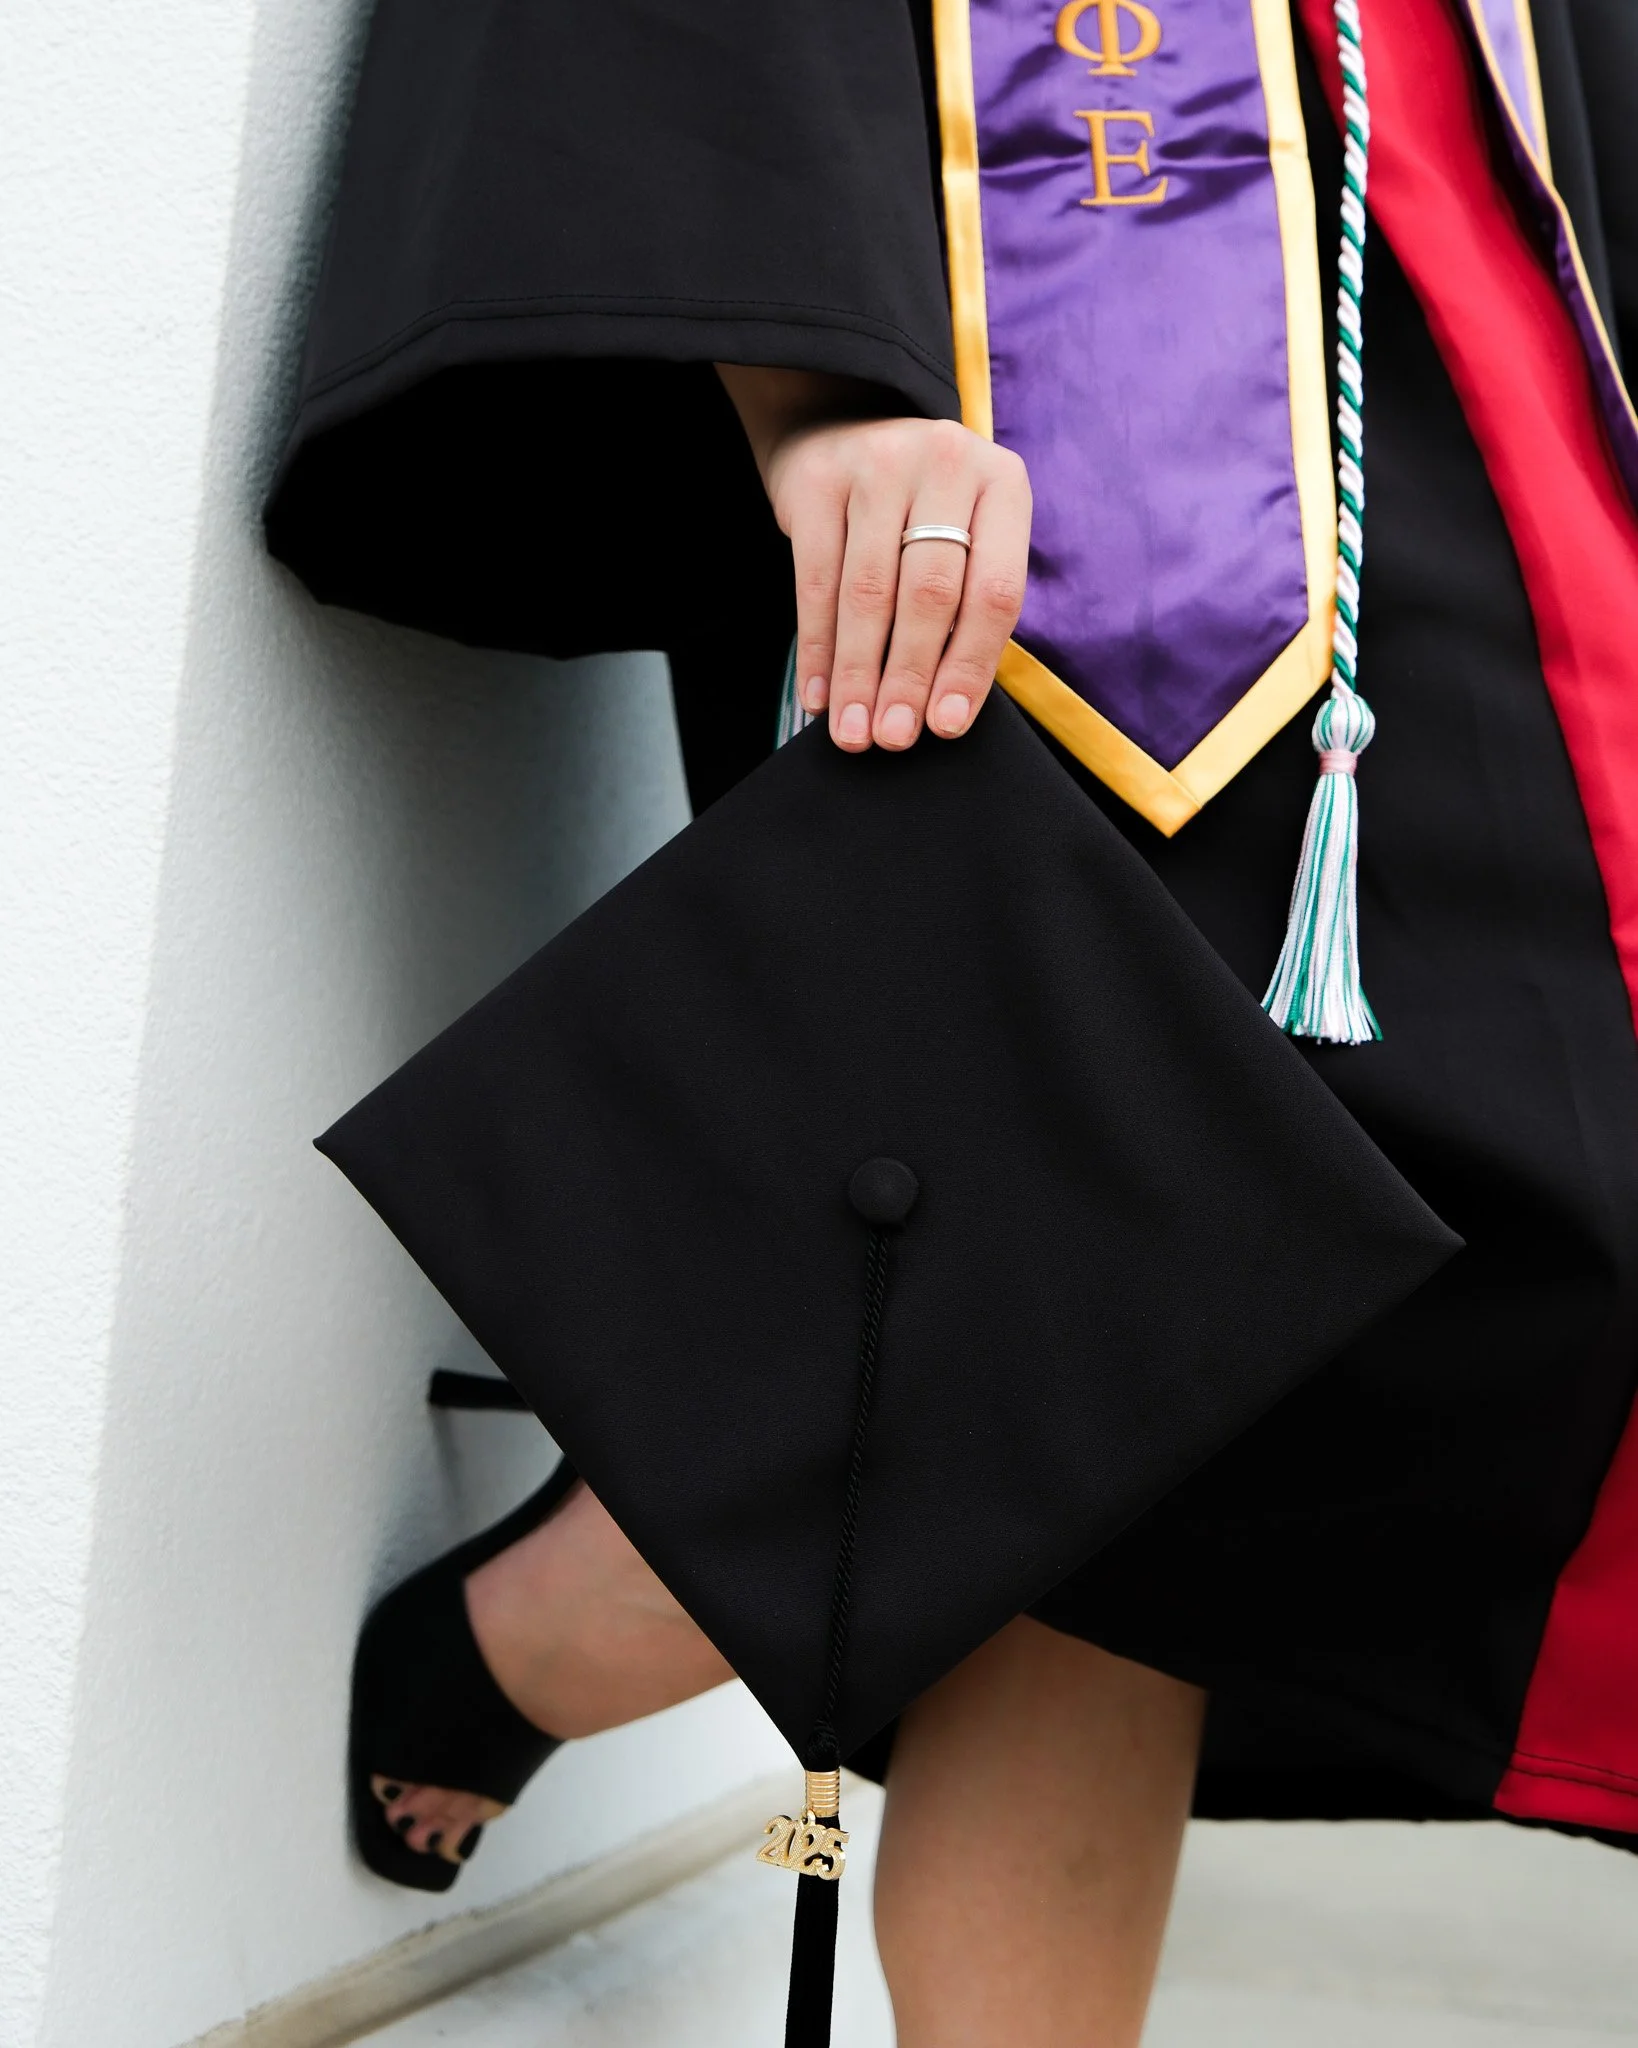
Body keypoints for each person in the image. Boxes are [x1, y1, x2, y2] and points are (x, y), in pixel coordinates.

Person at [266, 1, 1638, 2042]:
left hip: (1481, 288)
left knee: (1465, 1202)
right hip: (1050, 309)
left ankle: (639, 1566)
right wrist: (807, 386)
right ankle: (656, 1580)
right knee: (1108, 1202)